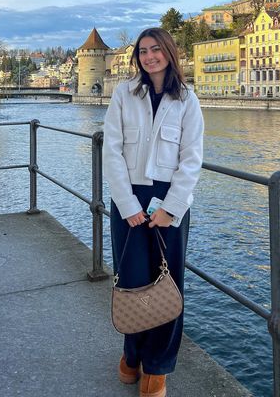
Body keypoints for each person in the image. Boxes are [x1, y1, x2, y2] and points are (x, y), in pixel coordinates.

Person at [103, 27, 204, 397]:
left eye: (155, 50)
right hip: (128, 199)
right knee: (130, 279)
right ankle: (132, 355)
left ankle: (158, 366)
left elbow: (192, 159)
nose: (149, 57)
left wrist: (172, 209)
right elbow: (111, 152)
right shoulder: (123, 94)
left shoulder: (188, 99)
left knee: (168, 281)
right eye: (143, 51)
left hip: (168, 201)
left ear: (169, 53)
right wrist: (127, 205)